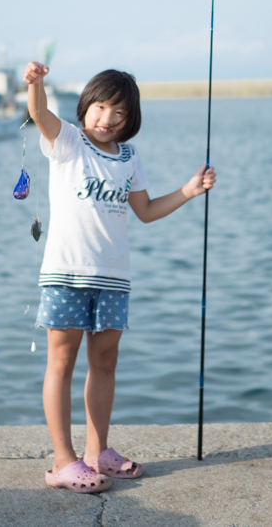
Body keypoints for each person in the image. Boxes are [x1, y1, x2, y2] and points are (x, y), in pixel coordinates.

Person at [23, 61, 216, 494]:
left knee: (105, 364)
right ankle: (62, 461)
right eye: (101, 107)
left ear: (131, 121)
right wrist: (36, 85)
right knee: (61, 362)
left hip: (114, 276)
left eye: (119, 114)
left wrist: (189, 190)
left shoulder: (129, 157)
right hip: (66, 273)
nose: (107, 119)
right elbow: (39, 114)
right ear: (86, 106)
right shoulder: (67, 141)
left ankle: (98, 452)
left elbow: (145, 212)